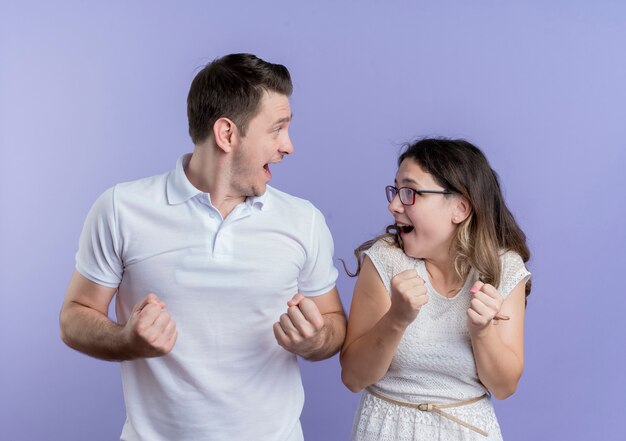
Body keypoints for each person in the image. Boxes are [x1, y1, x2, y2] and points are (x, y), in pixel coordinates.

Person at [59, 53, 346, 441]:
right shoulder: (120, 209)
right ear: (227, 134)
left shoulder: (303, 220)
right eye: (277, 129)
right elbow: (75, 316)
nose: (288, 146)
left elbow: (333, 323)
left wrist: (316, 341)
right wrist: (125, 340)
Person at [340, 138, 531, 440]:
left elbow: (504, 387)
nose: (393, 205)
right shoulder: (385, 259)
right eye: (396, 190)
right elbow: (353, 377)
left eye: (410, 192)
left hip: (467, 432)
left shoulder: (503, 269)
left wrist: (483, 331)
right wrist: (397, 319)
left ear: (459, 208)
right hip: (385, 429)